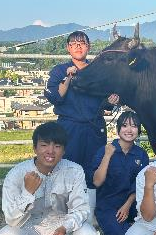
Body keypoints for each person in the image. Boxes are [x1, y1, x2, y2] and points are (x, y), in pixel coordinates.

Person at [0, 122, 99, 235]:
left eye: (57, 146)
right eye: (44, 145)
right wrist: (27, 193)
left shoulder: (74, 171)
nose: (50, 151)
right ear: (35, 148)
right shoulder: (17, 174)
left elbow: (81, 209)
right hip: (29, 226)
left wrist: (64, 227)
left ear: (64, 150)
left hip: (61, 224)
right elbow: (11, 220)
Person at [44, 31, 120, 224]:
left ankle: (90, 214)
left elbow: (108, 102)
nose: (78, 46)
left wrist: (112, 101)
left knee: (93, 169)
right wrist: (68, 77)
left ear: (89, 46)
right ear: (68, 48)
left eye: (82, 43)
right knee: (66, 167)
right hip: (69, 127)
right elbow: (55, 96)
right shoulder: (59, 71)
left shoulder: (98, 70)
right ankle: (63, 214)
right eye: (74, 43)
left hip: (94, 127)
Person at [91, 111, 149, 235]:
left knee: (151, 224)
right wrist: (107, 156)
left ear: (138, 131)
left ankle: (133, 229)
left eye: (134, 126)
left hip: (133, 203)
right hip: (108, 204)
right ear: (118, 130)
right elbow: (97, 181)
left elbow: (141, 183)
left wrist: (128, 204)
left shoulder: (141, 154)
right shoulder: (105, 150)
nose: (129, 130)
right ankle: (129, 231)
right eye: (124, 126)